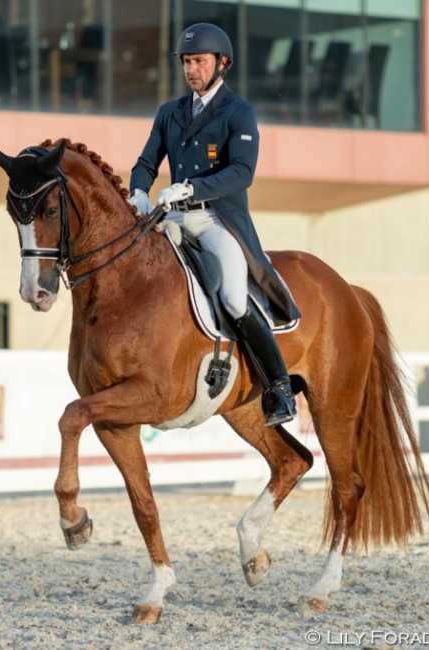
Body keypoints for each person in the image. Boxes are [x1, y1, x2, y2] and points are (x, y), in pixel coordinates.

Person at [128, 22, 300, 426]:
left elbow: (242, 172)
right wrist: (138, 190)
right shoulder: (169, 112)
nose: (192, 69)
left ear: (222, 63)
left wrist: (190, 188)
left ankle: (279, 389)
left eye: (199, 61)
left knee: (235, 299)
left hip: (215, 220)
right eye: (187, 61)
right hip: (171, 218)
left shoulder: (239, 112)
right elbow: (146, 162)